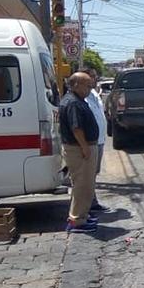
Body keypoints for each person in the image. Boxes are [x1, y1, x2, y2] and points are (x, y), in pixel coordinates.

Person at [59, 72, 100, 233]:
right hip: (79, 149)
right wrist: (84, 147)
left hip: (82, 147)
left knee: (85, 185)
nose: (90, 89)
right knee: (82, 186)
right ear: (76, 85)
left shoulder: (77, 100)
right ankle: (77, 221)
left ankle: (82, 215)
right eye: (88, 86)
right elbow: (76, 128)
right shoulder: (73, 103)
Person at [82, 68, 110, 214]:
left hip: (99, 140)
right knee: (88, 173)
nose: (95, 79)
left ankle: (92, 202)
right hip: (90, 142)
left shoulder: (93, 93)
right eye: (92, 77)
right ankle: (88, 204)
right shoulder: (82, 97)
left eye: (95, 76)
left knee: (94, 173)